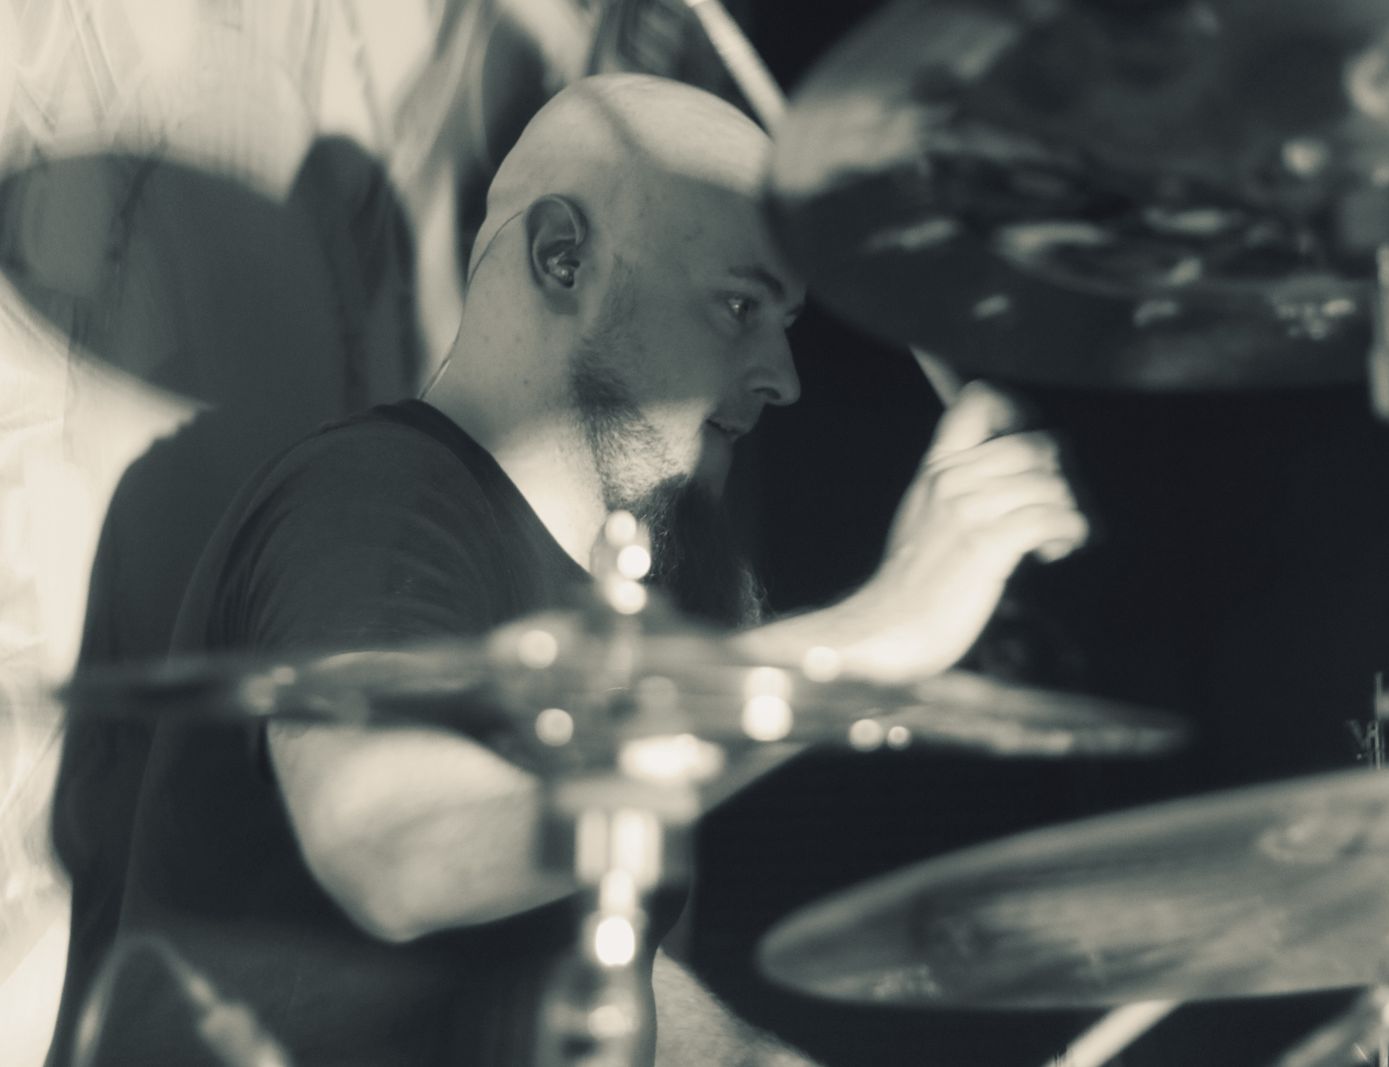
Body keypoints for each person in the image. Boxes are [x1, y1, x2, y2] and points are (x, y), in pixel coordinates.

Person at [53, 73, 1087, 1066]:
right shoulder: (371, 494)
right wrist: (878, 633)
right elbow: (401, 846)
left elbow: (574, 969)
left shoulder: (595, 599)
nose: (783, 377)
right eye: (740, 306)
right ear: (562, 258)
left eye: (784, 326)